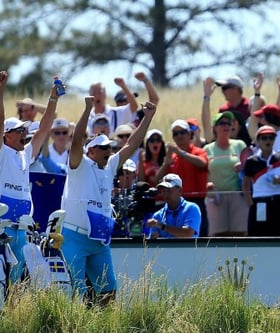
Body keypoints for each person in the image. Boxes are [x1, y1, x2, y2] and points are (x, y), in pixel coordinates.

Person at [61, 97, 155, 305]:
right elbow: (76, 140)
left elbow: (132, 143)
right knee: (76, 293)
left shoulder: (110, 165)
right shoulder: (79, 165)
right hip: (74, 237)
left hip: (99, 241)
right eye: (104, 148)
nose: (109, 151)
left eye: (110, 148)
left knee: (109, 293)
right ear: (91, 151)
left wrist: (147, 118)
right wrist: (87, 110)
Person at [0, 70, 58, 283]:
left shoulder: (25, 153)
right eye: (19, 131)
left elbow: (45, 127)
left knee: (19, 284)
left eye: (24, 131)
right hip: (2, 228)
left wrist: (53, 97)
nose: (23, 134)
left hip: (22, 229)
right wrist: (0, 90)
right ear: (6, 135)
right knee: (1, 281)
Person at [154, 119, 210, 237]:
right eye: (176, 133)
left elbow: (202, 163)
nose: (179, 135)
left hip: (196, 201)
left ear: (189, 134)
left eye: (182, 132)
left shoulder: (198, 151)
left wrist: (181, 153)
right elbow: (157, 179)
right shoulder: (172, 157)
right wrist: (166, 164)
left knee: (199, 238)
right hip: (176, 203)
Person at [243, 126, 280, 236]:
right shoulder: (251, 161)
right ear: (258, 141)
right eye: (264, 138)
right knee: (259, 236)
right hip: (260, 201)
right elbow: (246, 185)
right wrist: (251, 204)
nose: (268, 141)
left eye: (271, 138)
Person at [203, 112, 248, 236]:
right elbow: (202, 172)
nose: (226, 126)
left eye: (229, 123)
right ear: (215, 127)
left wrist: (243, 166)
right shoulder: (207, 149)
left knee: (239, 234)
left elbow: (249, 167)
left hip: (237, 195)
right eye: (222, 123)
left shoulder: (240, 145)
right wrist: (207, 185)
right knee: (218, 235)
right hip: (215, 196)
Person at [145, 173, 201, 239]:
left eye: (169, 190)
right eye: (163, 191)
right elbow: (152, 244)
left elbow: (187, 233)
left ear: (180, 190)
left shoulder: (192, 208)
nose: (165, 194)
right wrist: (152, 239)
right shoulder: (157, 215)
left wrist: (162, 226)